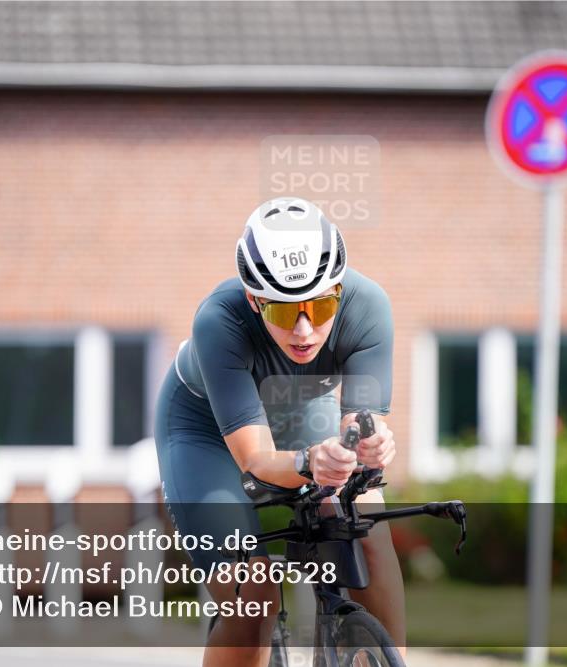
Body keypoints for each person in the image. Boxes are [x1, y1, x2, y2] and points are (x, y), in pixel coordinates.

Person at [155, 197, 405, 666]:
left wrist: (369, 443)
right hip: (205, 431)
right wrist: (311, 462)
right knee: (254, 594)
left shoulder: (368, 305)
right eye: (286, 312)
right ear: (255, 300)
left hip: (300, 409)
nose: (306, 330)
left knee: (369, 534)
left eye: (322, 303)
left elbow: (359, 423)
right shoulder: (219, 321)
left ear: (339, 287)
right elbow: (256, 461)